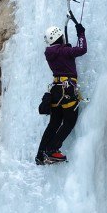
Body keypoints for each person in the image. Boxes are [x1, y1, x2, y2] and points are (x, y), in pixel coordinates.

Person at [36, 16, 87, 165]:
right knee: (69, 121)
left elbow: (63, 53)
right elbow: (82, 49)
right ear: (60, 37)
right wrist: (81, 33)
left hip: (56, 91)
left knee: (54, 123)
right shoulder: (65, 51)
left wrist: (68, 48)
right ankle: (52, 150)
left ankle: (40, 154)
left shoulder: (49, 53)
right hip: (67, 91)